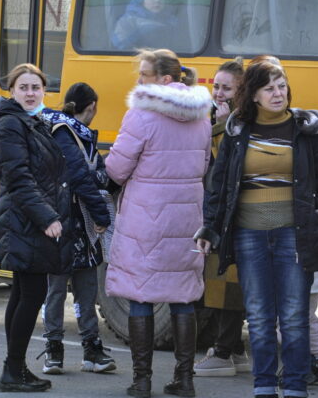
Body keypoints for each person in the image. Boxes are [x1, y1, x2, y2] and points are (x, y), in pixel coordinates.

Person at [195, 60, 318, 398]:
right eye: (269, 88)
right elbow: (219, 187)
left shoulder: (307, 129)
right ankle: (263, 386)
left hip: (295, 233)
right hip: (248, 235)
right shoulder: (236, 130)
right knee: (259, 316)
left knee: (293, 316)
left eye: (282, 86)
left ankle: (293, 386)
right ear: (254, 95)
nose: (278, 93)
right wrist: (210, 229)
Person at [104, 49, 211, 398]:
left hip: (145, 219)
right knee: (182, 297)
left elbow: (117, 169)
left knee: (141, 295)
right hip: (187, 217)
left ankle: (142, 380)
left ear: (165, 80)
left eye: (145, 74)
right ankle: (185, 379)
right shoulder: (201, 116)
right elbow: (204, 165)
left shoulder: (141, 115)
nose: (139, 81)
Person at [0, 63, 73, 393]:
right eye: (23, 87)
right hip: (24, 221)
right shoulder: (10, 124)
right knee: (32, 293)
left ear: (44, 91)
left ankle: (16, 367)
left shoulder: (31, 123)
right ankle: (13, 370)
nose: (30, 92)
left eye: (35, 87)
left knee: (23, 292)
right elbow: (18, 179)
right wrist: (47, 217)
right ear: (11, 91)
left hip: (25, 219)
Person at [39, 82, 117, 375]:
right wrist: (101, 214)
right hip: (70, 220)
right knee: (67, 289)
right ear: (92, 106)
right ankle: (62, 350)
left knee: (73, 288)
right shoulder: (67, 132)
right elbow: (80, 177)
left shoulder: (65, 129)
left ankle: (81, 350)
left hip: (68, 221)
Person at [195, 58, 252, 378]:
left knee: (227, 283)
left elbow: (229, 168)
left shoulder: (241, 122)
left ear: (241, 91)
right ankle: (235, 348)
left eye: (225, 88)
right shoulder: (220, 117)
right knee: (218, 281)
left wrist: (223, 125)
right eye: (215, 86)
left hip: (236, 216)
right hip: (217, 213)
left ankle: (223, 349)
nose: (217, 93)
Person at [111, 0, 178, 49]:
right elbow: (119, 46)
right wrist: (138, 33)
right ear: (142, 0)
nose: (157, 0)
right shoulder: (127, 21)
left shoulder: (171, 19)